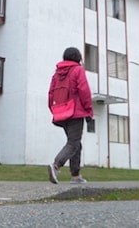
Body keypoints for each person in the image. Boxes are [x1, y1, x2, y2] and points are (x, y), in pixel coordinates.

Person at [47, 46, 93, 184]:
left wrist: (54, 110)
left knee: (76, 144)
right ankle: (56, 165)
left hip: (61, 113)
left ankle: (75, 176)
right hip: (75, 113)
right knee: (73, 143)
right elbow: (84, 91)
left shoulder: (57, 74)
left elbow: (50, 94)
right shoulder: (78, 70)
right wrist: (89, 110)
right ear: (78, 57)